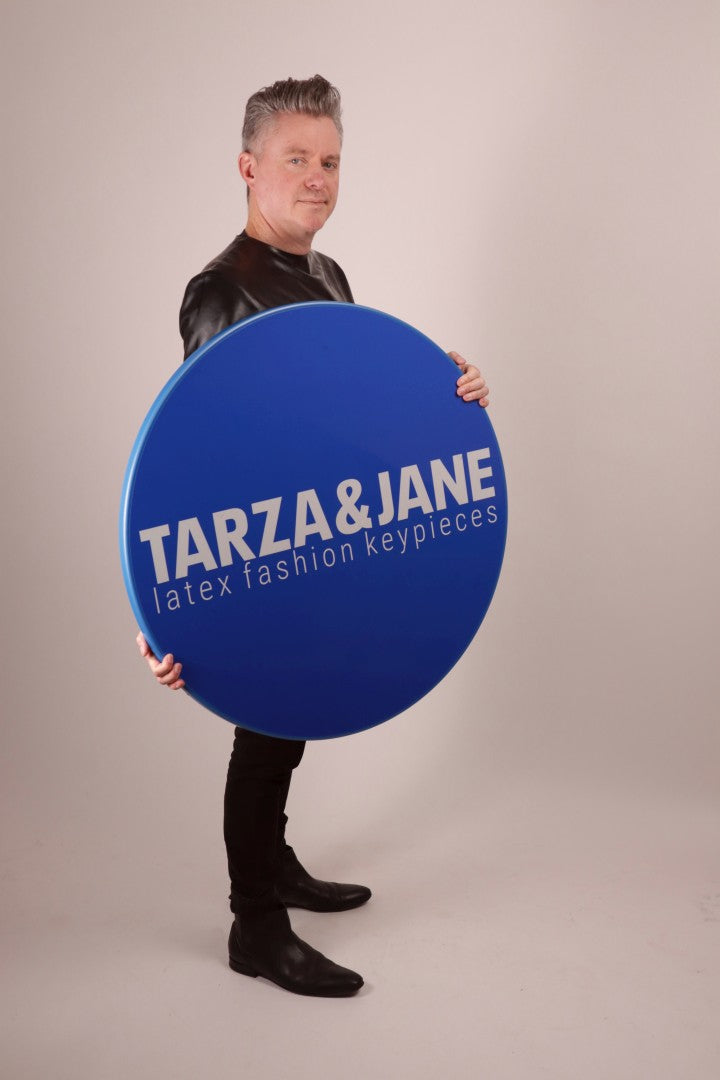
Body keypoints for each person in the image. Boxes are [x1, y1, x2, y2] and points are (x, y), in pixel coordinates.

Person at [137, 75, 489, 998]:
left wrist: (442, 400)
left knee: (286, 722)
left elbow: (345, 414)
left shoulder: (326, 274)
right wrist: (162, 611)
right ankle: (255, 924)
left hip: (316, 534)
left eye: (331, 161)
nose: (319, 178)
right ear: (249, 168)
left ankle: (277, 865)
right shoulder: (221, 291)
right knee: (263, 730)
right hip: (261, 549)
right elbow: (192, 458)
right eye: (298, 159)